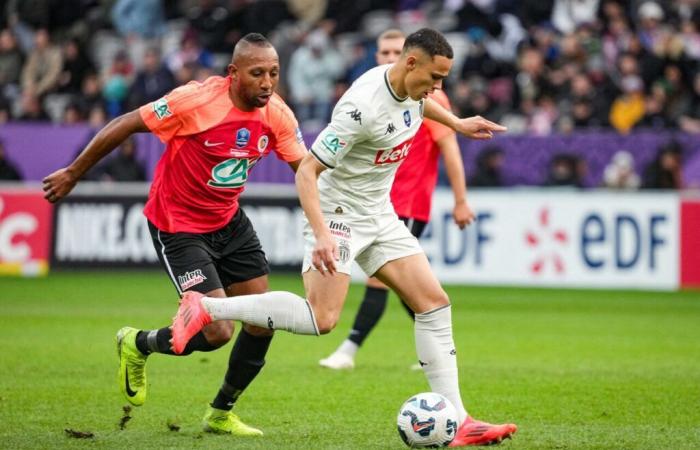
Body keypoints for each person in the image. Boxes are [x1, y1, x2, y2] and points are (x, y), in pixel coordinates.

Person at [172, 28, 517, 446]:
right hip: (339, 215)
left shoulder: (412, 89)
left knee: (433, 303)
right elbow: (307, 171)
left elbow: (420, 103)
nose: (439, 87)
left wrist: (457, 122)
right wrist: (321, 234)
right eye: (435, 77)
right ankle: (206, 307)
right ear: (411, 63)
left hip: (380, 213)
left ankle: (459, 420)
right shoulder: (361, 108)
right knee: (323, 318)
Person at [42, 33, 306, 437]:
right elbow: (125, 124)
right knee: (218, 331)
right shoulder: (195, 101)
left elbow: (305, 171)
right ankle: (138, 344)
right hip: (178, 225)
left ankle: (220, 412)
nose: (267, 83)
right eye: (257, 74)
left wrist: (337, 218)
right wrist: (74, 172)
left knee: (261, 321)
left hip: (229, 222)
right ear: (233, 74)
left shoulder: (278, 114)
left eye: (273, 73)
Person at [319, 29, 475, 371]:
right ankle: (435, 349)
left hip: (405, 202)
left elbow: (449, 146)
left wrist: (460, 200)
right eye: (383, 52)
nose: (389, 58)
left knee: (383, 281)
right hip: (374, 200)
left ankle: (348, 349)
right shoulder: (374, 93)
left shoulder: (428, 96)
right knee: (409, 286)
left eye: (394, 51)